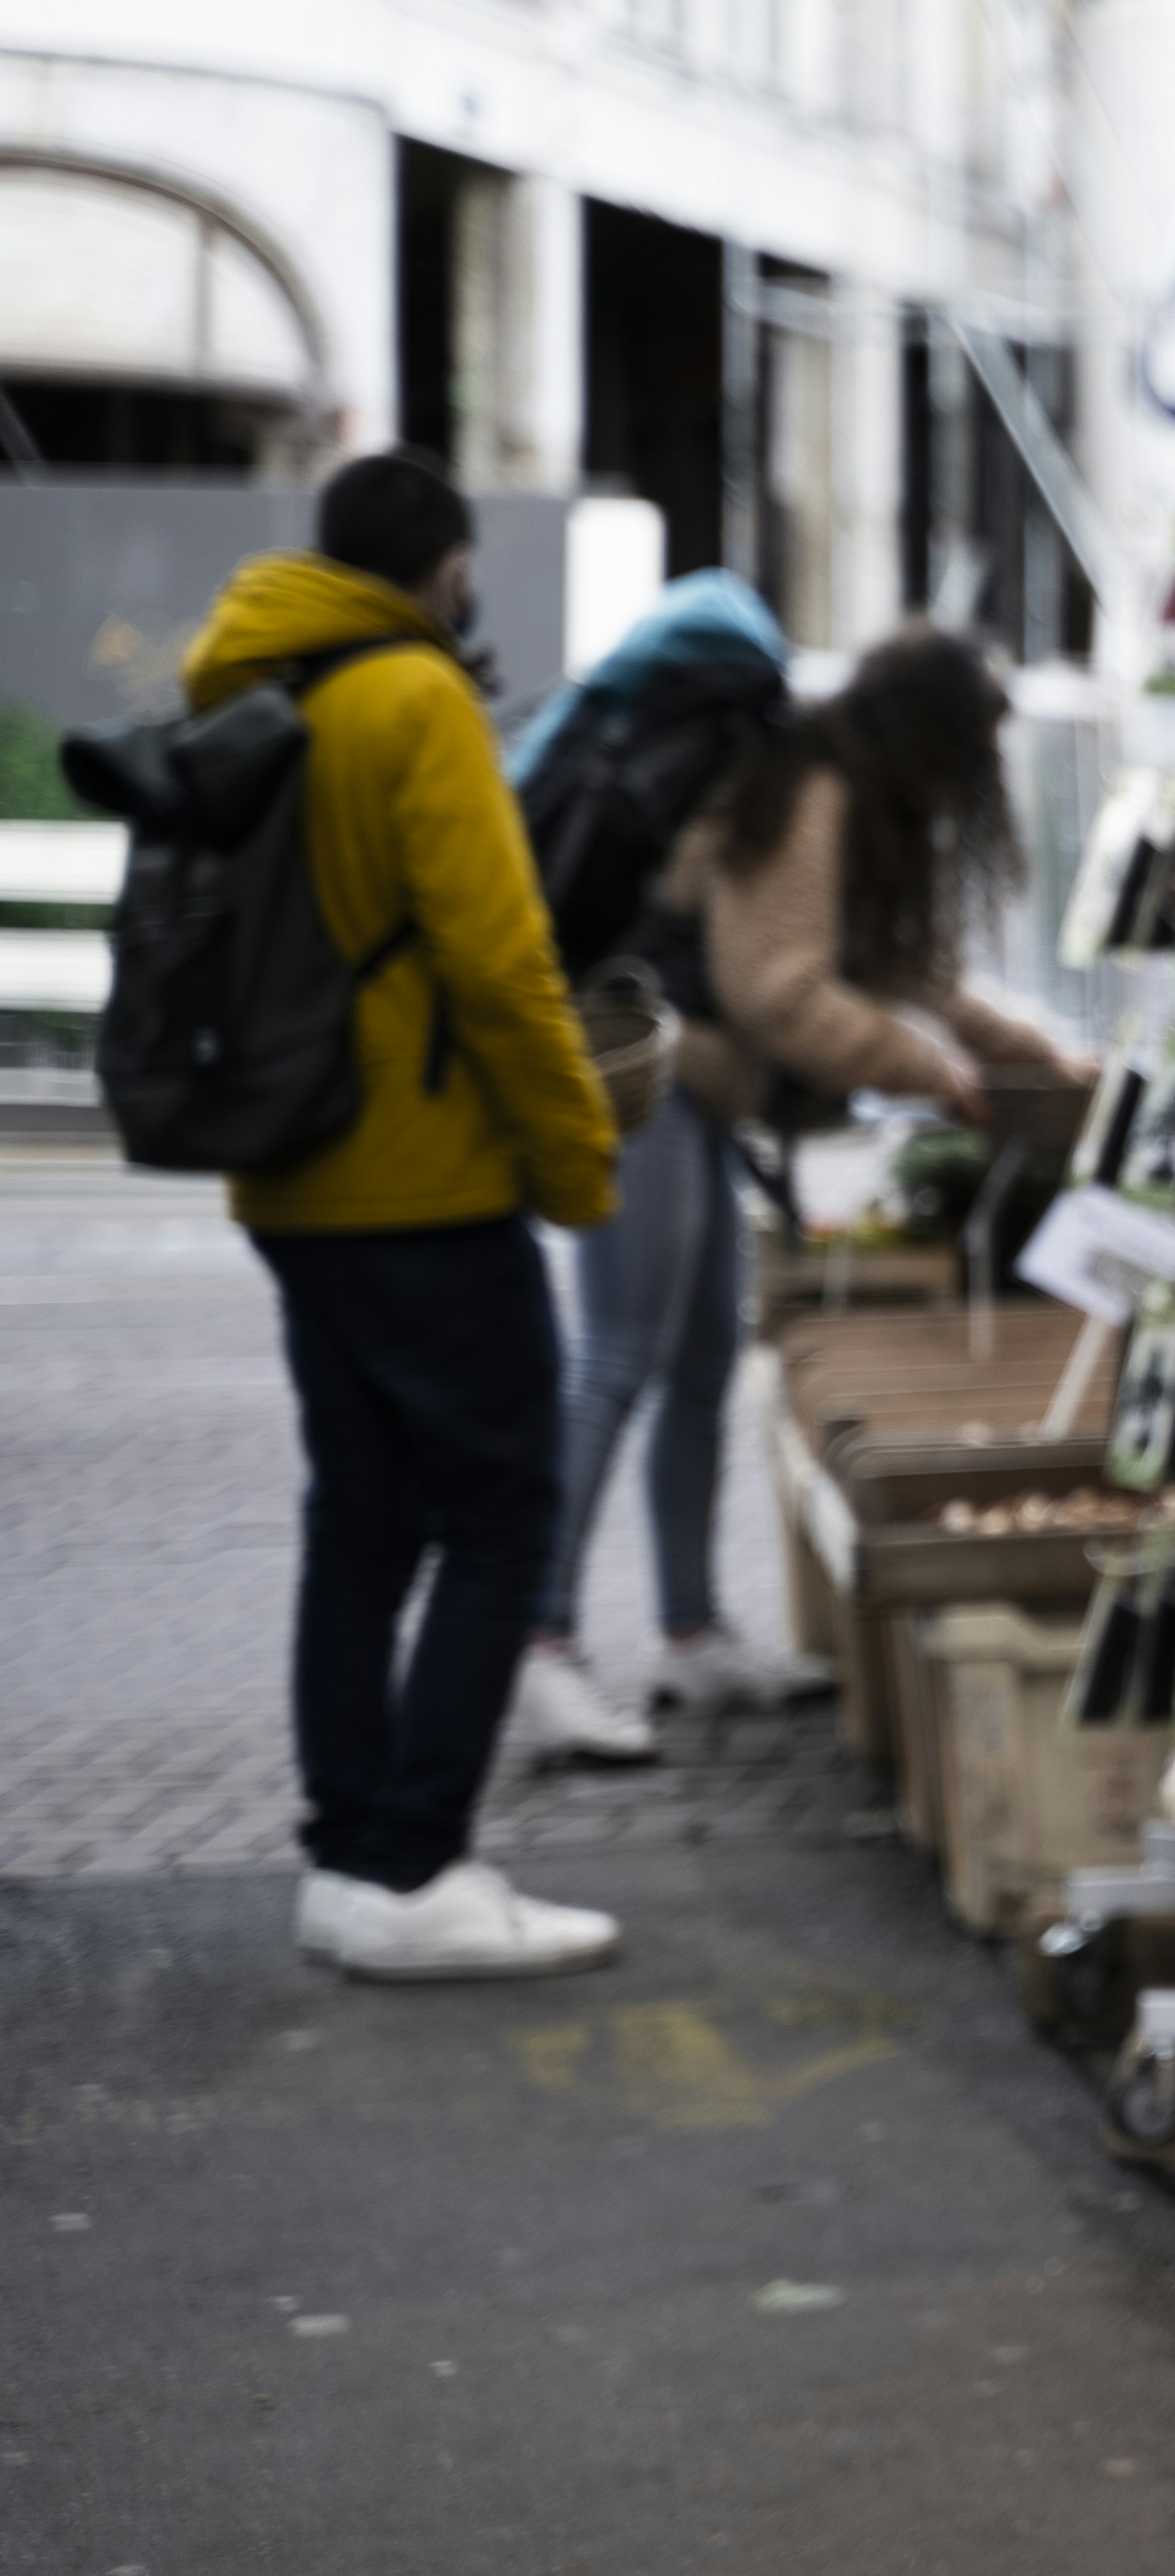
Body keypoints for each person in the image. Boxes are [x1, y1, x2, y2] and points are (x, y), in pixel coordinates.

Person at [193, 452, 626, 1980]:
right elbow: (499, 963)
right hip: (427, 1179)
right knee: (504, 1512)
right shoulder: (416, 698)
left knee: (361, 1518)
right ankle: (420, 1862)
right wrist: (576, 1162)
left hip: (294, 1171)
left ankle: (350, 1856)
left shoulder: (262, 689)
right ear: (445, 564)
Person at [513, 621, 1082, 1759]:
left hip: (700, 1089)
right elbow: (777, 992)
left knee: (703, 1362)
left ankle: (688, 1636)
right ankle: (539, 1643)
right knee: (621, 1357)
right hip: (655, 1080)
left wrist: (1032, 1057)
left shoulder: (843, 796)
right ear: (930, 739)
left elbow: (901, 972)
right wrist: (936, 1074)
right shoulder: (809, 793)